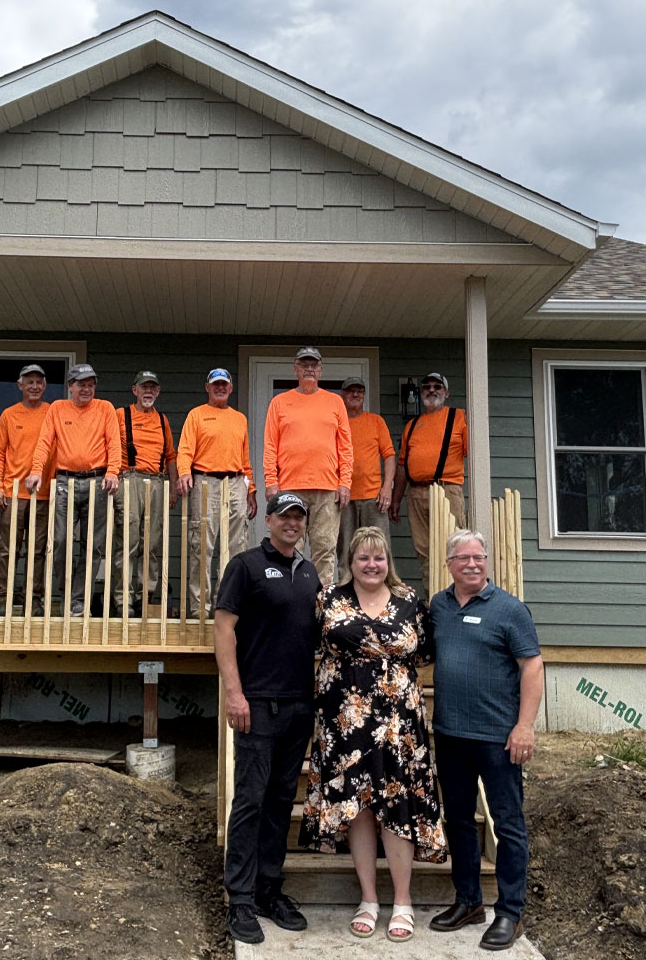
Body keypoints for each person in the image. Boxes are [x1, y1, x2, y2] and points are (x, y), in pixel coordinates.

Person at [300, 525, 446, 942]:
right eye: (363, 557)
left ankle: (402, 901)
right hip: (343, 720)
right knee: (358, 805)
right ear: (351, 562)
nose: (371, 564)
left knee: (397, 806)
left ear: (388, 562)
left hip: (398, 722)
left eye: (378, 557)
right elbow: (309, 642)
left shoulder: (409, 601)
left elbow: (425, 653)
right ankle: (368, 898)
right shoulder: (329, 599)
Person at [428, 529, 543, 951]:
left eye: (479, 557)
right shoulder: (438, 607)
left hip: (498, 737)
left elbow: (532, 667)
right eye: (463, 558)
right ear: (449, 565)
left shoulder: (510, 610)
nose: (473, 564)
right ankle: (468, 901)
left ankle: (509, 912)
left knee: (507, 824)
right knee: (458, 820)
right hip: (450, 734)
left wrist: (524, 726)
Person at [216, 492, 321, 946]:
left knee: (281, 800)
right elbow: (223, 630)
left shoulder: (310, 571)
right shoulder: (245, 566)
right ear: (271, 520)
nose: (293, 524)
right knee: (250, 801)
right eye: (286, 516)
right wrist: (234, 694)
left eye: (300, 517)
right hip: (257, 703)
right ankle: (239, 897)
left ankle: (268, 889)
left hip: (300, 703)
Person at [27, 364, 121, 615]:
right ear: (70, 386)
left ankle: (78, 601)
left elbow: (114, 443)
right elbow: (45, 442)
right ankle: (65, 594)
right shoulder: (57, 408)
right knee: (59, 541)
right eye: (81, 384)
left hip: (97, 480)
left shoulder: (105, 408)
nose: (86, 389)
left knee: (93, 545)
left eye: (91, 384)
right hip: (65, 481)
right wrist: (36, 470)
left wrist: (113, 471)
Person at [262, 346, 352, 586]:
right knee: (288, 546)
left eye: (314, 365)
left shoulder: (335, 402)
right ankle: (288, 596)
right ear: (296, 369)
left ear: (320, 370)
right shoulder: (280, 402)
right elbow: (270, 445)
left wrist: (345, 483)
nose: (309, 369)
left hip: (327, 488)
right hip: (290, 488)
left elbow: (345, 447)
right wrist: (271, 481)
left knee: (325, 548)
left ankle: (322, 604)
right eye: (304, 365)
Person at [174, 368, 254, 618]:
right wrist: (184, 472)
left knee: (235, 546)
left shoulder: (239, 418)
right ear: (207, 387)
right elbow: (185, 449)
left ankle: (228, 604)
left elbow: (245, 458)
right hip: (205, 481)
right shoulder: (196, 415)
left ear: (231, 388)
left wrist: (250, 489)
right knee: (202, 545)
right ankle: (200, 608)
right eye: (215, 384)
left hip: (235, 482)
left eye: (224, 385)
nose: (220, 388)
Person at [0, 364, 53, 614]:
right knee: (8, 550)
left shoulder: (52, 412)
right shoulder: (9, 415)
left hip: (44, 493)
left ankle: (33, 600)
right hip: (13, 491)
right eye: (30, 382)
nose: (35, 386)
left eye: (39, 382)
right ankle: (2, 600)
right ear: (20, 385)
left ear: (45, 385)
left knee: (38, 551)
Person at [390, 371, 468, 567]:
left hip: (446, 490)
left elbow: (475, 451)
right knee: (424, 552)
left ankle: (456, 596)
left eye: (437, 386)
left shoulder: (459, 417)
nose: (431, 390)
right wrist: (396, 499)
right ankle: (432, 597)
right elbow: (402, 465)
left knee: (454, 548)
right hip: (416, 493)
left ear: (446, 393)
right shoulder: (412, 424)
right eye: (427, 387)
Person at [118, 371, 172, 616]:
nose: (148, 391)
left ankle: (145, 598)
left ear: (158, 392)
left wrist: (173, 486)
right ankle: (123, 600)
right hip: (130, 479)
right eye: (144, 387)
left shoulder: (162, 420)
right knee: (128, 541)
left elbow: (171, 456)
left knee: (151, 543)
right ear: (134, 390)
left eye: (153, 387)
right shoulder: (121, 415)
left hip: (158, 482)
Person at [337, 376, 395, 582]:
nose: (355, 394)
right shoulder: (337, 422)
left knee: (379, 548)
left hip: (373, 498)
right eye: (350, 391)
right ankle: (346, 593)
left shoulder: (376, 421)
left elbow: (389, 456)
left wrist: (386, 488)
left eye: (359, 391)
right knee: (345, 551)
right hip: (343, 498)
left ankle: (384, 593)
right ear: (342, 395)